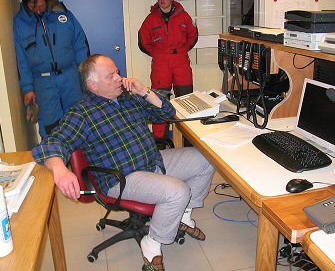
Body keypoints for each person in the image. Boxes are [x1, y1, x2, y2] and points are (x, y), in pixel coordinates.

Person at [32, 54, 215, 271]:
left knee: (205, 158)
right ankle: (153, 241)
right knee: (178, 192)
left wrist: (144, 91)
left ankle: (183, 215)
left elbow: (168, 113)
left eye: (118, 72)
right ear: (93, 85)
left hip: (152, 161)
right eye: (111, 76)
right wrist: (60, 169)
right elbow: (51, 144)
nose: (120, 78)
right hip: (121, 177)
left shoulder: (129, 98)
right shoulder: (82, 113)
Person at [13, 0, 90, 137]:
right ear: (27, 3)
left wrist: (85, 74)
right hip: (43, 81)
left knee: (77, 120)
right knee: (50, 125)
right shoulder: (20, 23)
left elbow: (80, 44)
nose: (39, 9)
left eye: (42, 5)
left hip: (70, 76)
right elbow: (22, 59)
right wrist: (28, 89)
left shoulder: (63, 16)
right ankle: (53, 159)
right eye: (34, 6)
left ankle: (80, 160)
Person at [138, 0, 198, 141]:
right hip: (161, 63)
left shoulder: (184, 16)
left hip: (181, 61)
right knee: (158, 100)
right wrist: (158, 54)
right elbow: (143, 42)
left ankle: (188, 138)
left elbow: (193, 35)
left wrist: (182, 50)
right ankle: (160, 140)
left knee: (185, 100)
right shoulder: (151, 19)